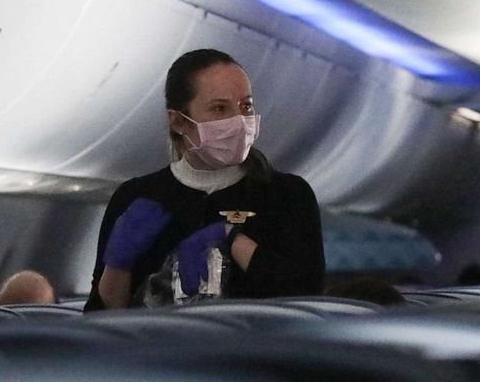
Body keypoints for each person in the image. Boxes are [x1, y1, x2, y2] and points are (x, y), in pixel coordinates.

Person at [85, 49, 325, 310]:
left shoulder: (286, 194)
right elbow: (104, 315)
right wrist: (117, 265)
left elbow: (305, 298)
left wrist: (231, 238)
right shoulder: (137, 197)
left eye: (246, 106)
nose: (240, 121)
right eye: (220, 108)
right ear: (178, 121)